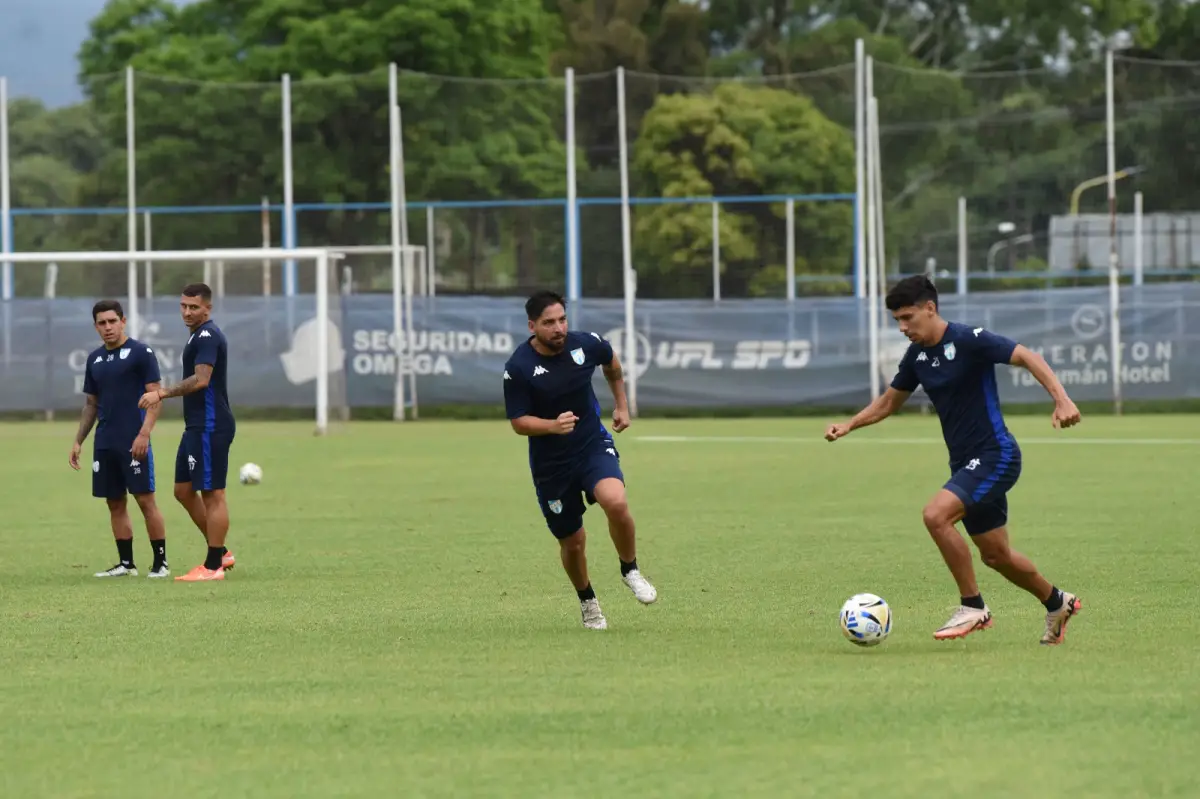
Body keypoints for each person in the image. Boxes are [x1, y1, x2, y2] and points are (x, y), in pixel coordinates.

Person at [825, 275, 1083, 645]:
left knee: (935, 515)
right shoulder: (916, 356)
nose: (902, 327)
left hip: (996, 454)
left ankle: (973, 605)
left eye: (908, 317)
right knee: (997, 556)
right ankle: (1058, 603)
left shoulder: (967, 339)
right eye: (897, 320)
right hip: (965, 463)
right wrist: (849, 424)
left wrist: (1062, 399)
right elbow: (888, 403)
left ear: (930, 309)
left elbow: (1027, 355)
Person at [502, 290, 657, 630]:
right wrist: (551, 426)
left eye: (562, 319)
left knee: (615, 501)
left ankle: (630, 569)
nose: (558, 328)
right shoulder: (518, 367)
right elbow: (518, 422)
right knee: (573, 542)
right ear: (532, 326)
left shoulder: (585, 344)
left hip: (591, 445)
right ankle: (588, 602)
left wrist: (622, 405)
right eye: (548, 323)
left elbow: (611, 363)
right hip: (551, 465)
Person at [139, 283, 237, 582]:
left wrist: (162, 393)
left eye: (194, 307)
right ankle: (221, 552)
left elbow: (202, 379)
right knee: (183, 491)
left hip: (210, 424)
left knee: (212, 493)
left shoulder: (207, 335)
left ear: (207, 308)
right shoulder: (197, 335)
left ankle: (212, 566)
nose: (187, 311)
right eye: (183, 305)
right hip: (196, 425)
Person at [70, 300, 169, 577]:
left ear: (123, 321)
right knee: (114, 502)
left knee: (145, 500)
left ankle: (160, 563)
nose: (108, 327)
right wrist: (79, 440)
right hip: (105, 442)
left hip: (134, 440)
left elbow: (155, 397)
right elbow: (91, 404)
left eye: (112, 321)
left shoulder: (141, 353)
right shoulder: (94, 359)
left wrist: (144, 434)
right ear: (96, 326)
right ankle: (126, 564)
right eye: (102, 323)